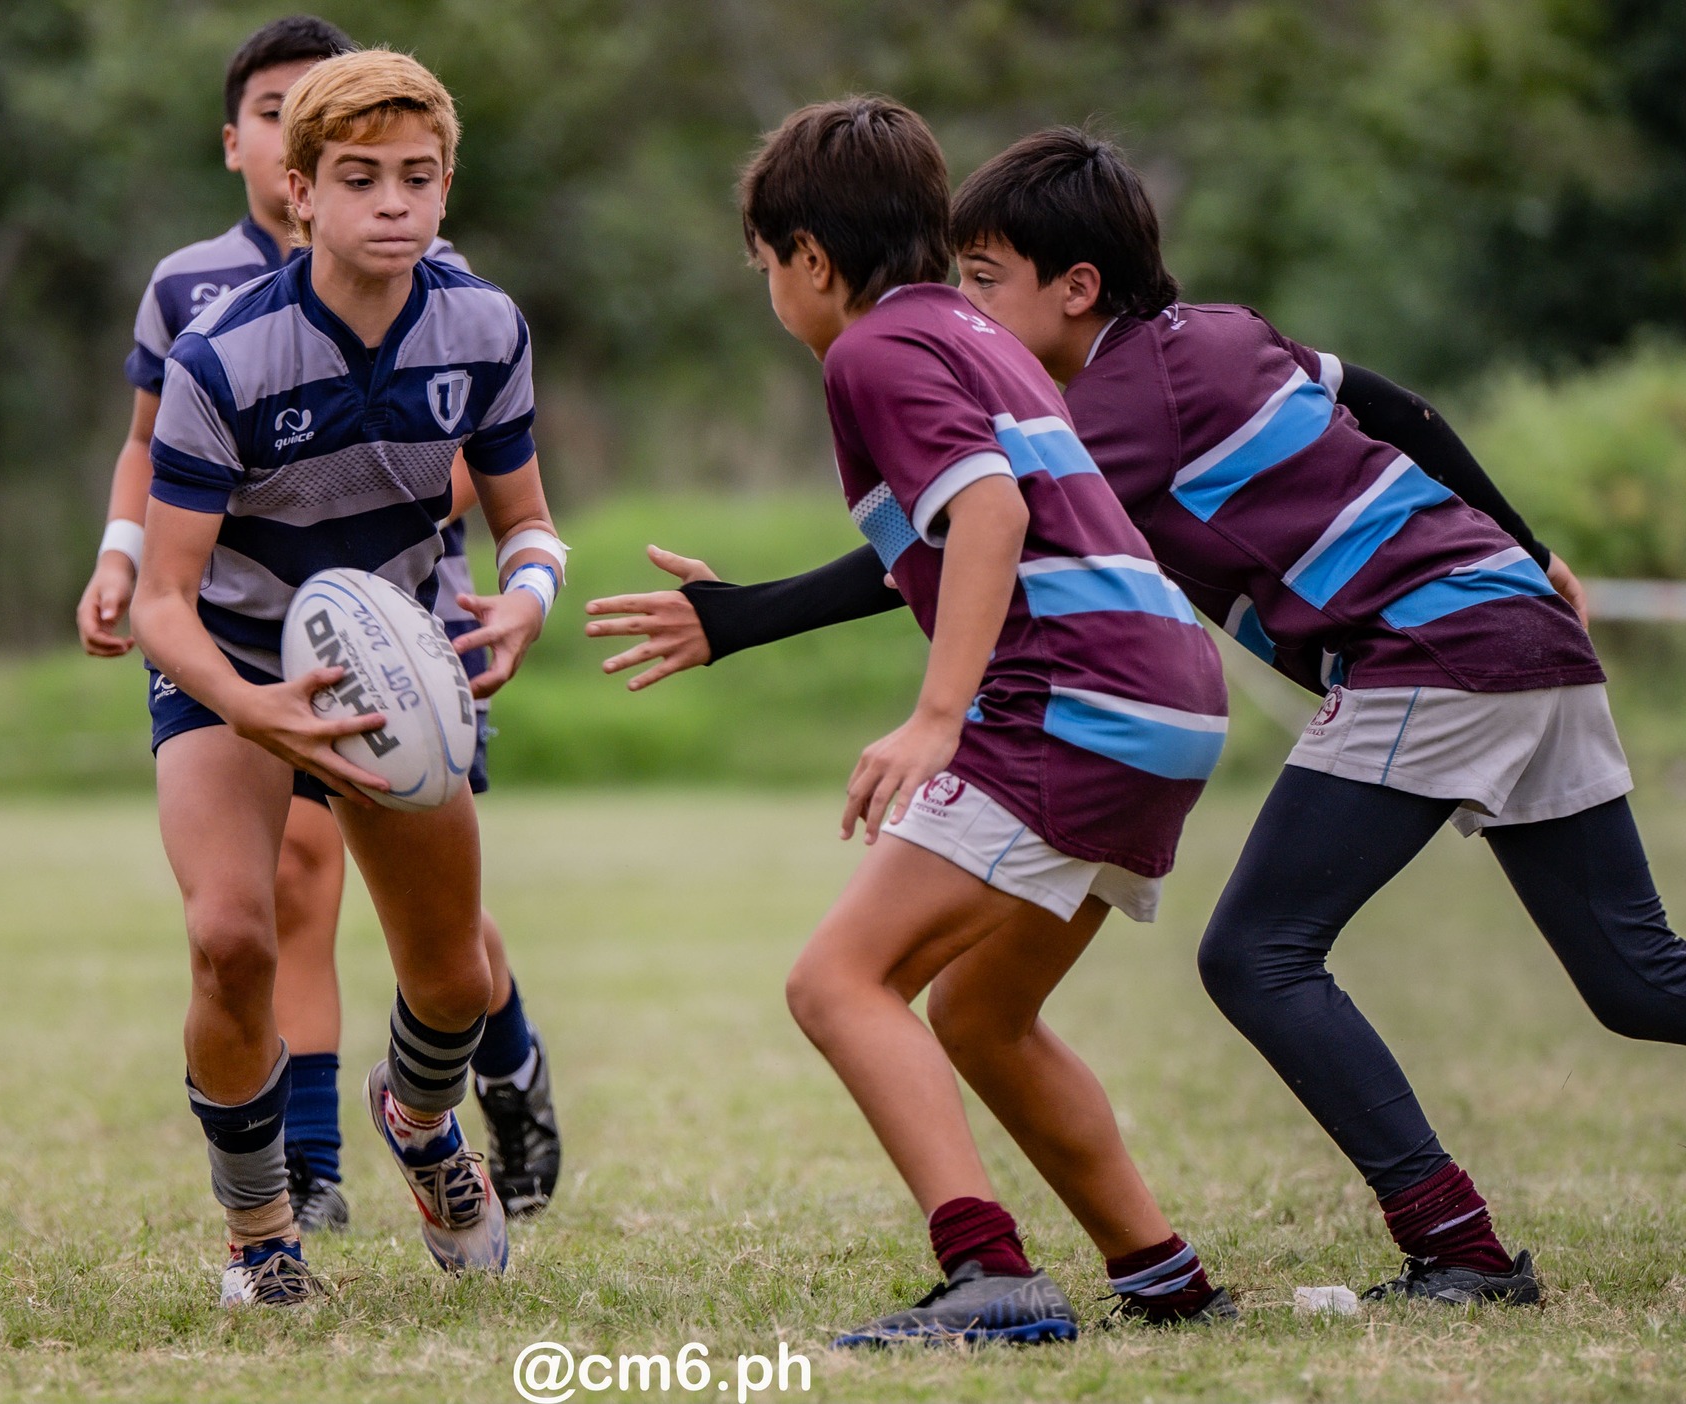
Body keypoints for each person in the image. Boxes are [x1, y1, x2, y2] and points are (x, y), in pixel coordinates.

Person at [590, 126, 1686, 1307]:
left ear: (1075, 287)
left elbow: (971, 527)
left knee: (1255, 955)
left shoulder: (1111, 402)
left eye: (985, 280)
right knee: (1637, 982)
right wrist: (1529, 550)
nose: (968, 304)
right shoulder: (1222, 333)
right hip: (1521, 627)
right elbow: (1398, 406)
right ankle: (1213, 1270)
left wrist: (766, 629)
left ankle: (1456, 1246)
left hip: (1426, 651)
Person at [716, 97, 1235, 1346]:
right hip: (1162, 692)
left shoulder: (873, 351)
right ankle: (1157, 1272)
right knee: (980, 1014)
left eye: (766, 267)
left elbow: (990, 513)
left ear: (811, 261)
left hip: (1071, 702)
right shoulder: (964, 325)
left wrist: (936, 718)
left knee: (839, 983)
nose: (771, 292)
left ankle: (989, 1279)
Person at [73, 17, 560, 1240]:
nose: (391, 204)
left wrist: (526, 598)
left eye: (416, 178)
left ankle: (419, 1120)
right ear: (297, 188)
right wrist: (248, 707)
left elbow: (530, 525)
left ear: (447, 185)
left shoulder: (483, 327)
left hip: (387, 662)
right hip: (231, 665)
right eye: (358, 178)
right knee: (232, 939)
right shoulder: (220, 354)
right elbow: (168, 604)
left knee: (451, 975)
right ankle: (260, 1233)